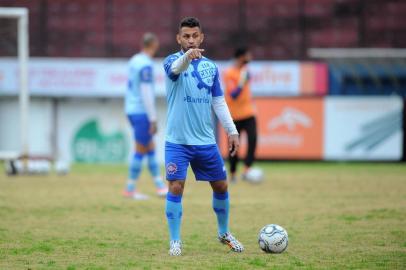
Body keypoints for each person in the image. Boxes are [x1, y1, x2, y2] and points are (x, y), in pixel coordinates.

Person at [163, 17, 244, 256]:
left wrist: (231, 130)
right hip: (177, 141)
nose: (190, 40)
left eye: (194, 35)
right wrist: (187, 57)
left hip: (205, 141)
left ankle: (224, 233)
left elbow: (218, 101)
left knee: (221, 185)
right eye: (185, 36)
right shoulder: (171, 62)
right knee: (176, 186)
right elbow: (176, 69)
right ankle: (175, 240)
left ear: (201, 37)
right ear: (179, 39)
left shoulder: (211, 67)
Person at [123, 32, 168, 200]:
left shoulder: (134, 60)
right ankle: (130, 188)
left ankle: (159, 186)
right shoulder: (146, 66)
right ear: (154, 45)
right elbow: (146, 93)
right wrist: (153, 118)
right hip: (141, 111)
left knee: (150, 148)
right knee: (141, 149)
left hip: (130, 109)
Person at [223, 47, 258, 183]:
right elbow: (233, 94)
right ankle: (232, 174)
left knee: (253, 140)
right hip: (234, 116)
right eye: (247, 55)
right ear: (240, 57)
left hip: (249, 113)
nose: (249, 58)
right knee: (233, 147)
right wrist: (242, 81)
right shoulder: (230, 73)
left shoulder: (245, 71)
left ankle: (247, 169)